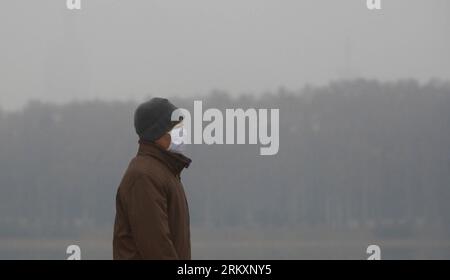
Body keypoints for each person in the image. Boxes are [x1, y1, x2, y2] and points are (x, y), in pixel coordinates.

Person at [113, 97, 192, 260]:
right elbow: (157, 248)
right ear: (157, 133)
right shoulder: (144, 176)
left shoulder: (166, 171)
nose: (183, 132)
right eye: (177, 127)